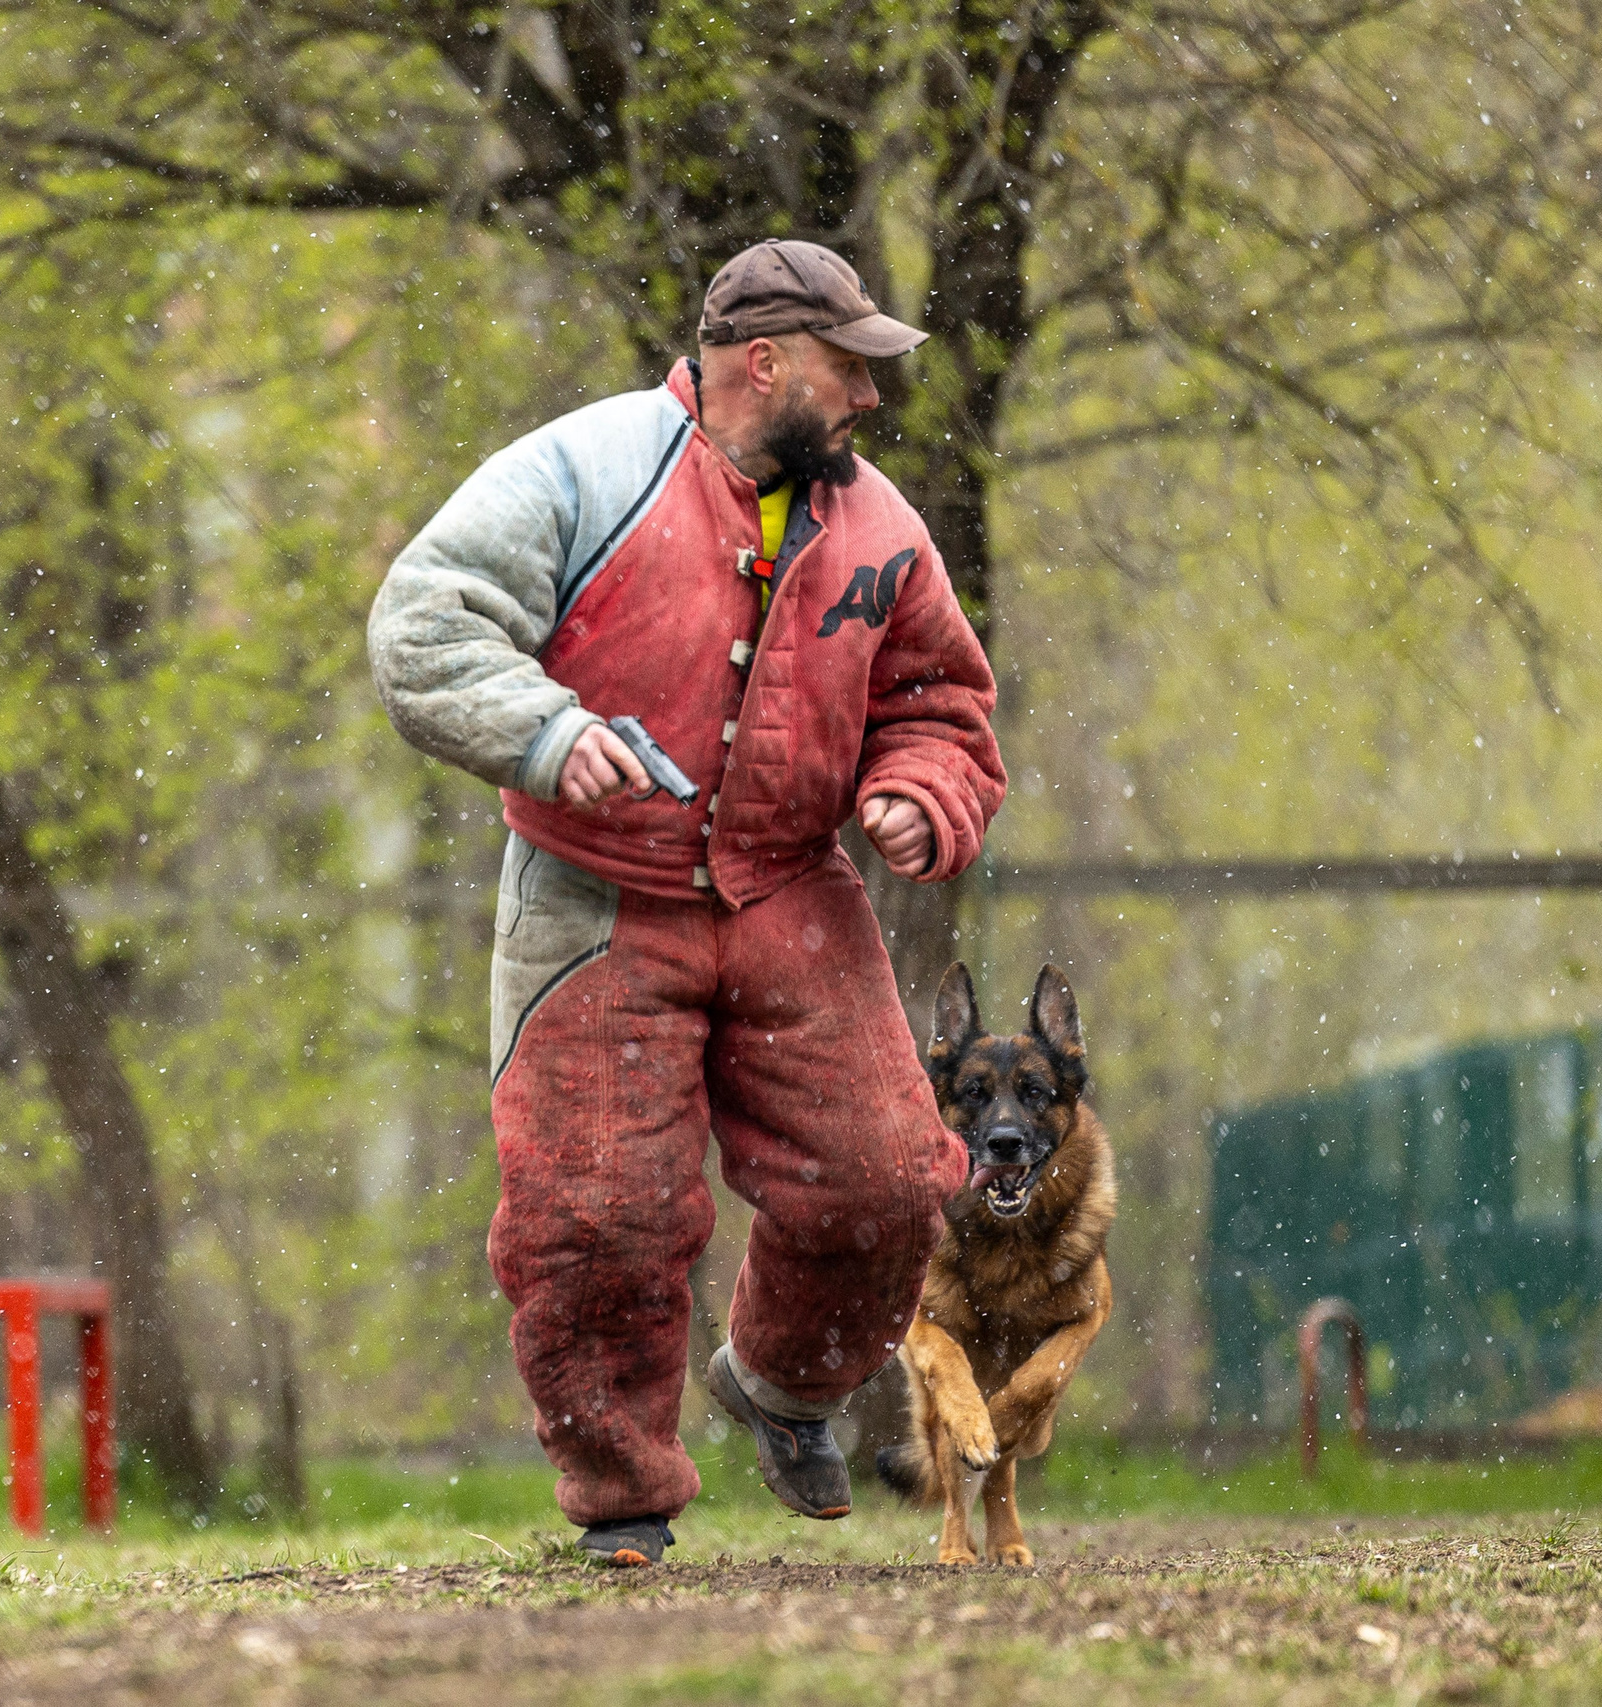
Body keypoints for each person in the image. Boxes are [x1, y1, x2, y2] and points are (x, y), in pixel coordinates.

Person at [367, 239, 1006, 1565]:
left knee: (889, 1180)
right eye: (851, 371)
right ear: (763, 364)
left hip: (790, 881)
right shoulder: (578, 472)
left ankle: (782, 1383)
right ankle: (624, 1502)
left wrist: (917, 791)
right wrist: (543, 731)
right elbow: (422, 623)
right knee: (595, 1211)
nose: (871, 403)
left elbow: (942, 699)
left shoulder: (881, 526)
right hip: (592, 888)